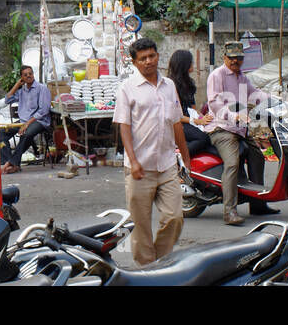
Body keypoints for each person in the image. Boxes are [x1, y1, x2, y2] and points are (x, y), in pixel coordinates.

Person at [114, 38, 193, 265]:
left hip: (167, 164)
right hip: (139, 167)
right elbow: (124, 127)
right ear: (134, 62)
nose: (149, 61)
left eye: (152, 56)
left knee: (174, 217)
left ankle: (160, 260)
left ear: (158, 55)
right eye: (143, 58)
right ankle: (148, 270)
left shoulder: (169, 85)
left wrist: (186, 158)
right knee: (141, 225)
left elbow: (176, 123)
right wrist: (133, 160)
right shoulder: (127, 89)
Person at [203, 42, 275, 224]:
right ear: (225, 57)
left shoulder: (242, 77)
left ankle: (258, 205)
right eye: (232, 57)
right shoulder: (217, 75)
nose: (236, 61)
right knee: (233, 163)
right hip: (221, 128)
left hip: (241, 128)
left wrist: (276, 100)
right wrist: (232, 115)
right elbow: (214, 102)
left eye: (239, 58)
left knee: (258, 155)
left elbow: (255, 94)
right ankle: (229, 211)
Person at [2, 64, 51, 173]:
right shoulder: (22, 91)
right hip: (24, 121)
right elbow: (7, 100)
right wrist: (17, 85)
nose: (29, 76)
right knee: (1, 133)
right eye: (25, 75)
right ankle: (10, 162)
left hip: (39, 121)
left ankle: (12, 163)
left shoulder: (42, 89)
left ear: (33, 75)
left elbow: (44, 111)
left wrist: (27, 124)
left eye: (30, 74)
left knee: (27, 133)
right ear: (22, 78)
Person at [168, 49, 212, 156]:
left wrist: (204, 118)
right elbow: (176, 115)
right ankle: (178, 155)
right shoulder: (170, 84)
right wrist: (197, 121)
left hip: (189, 120)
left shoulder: (189, 83)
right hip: (179, 123)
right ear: (184, 64)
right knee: (203, 138)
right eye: (190, 62)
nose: (193, 64)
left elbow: (192, 108)